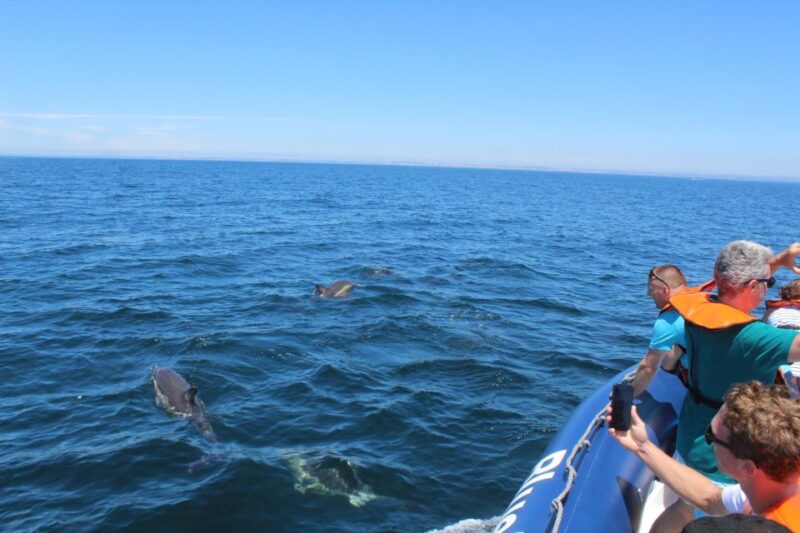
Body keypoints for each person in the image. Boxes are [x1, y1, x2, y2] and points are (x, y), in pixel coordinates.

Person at [652, 241, 800, 530]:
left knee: (683, 508)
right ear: (753, 286)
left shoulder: (697, 309)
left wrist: (777, 262)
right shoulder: (755, 339)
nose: (768, 288)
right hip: (724, 456)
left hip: (691, 435)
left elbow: (732, 280)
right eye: (768, 283)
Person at [608, 381, 800, 532]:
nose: (707, 441)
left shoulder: (776, 524)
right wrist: (642, 446)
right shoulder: (770, 484)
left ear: (747, 467)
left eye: (711, 435)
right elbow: (710, 498)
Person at [631, 265, 688, 398]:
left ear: (664, 290)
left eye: (651, 289)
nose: (648, 294)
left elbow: (649, 369)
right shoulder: (704, 300)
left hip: (706, 389)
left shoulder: (668, 321)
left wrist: (626, 397)